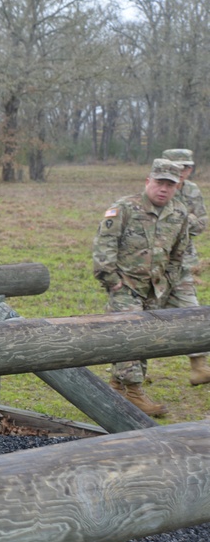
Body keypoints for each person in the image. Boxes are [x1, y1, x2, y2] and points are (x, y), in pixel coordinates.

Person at [92, 159, 191, 416]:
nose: (163, 189)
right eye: (159, 183)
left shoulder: (179, 214)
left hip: (155, 288)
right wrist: (113, 282)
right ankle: (134, 391)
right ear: (148, 182)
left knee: (146, 338)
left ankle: (116, 386)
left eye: (170, 185)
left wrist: (167, 282)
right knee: (130, 333)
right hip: (125, 285)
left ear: (177, 186)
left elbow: (179, 254)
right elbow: (104, 248)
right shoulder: (125, 208)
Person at [161, 148, 210, 385]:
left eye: (187, 167)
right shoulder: (157, 188)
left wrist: (185, 221)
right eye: (179, 167)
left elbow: (201, 223)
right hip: (153, 265)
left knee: (192, 310)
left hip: (182, 263)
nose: (183, 172)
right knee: (141, 316)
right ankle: (130, 376)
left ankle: (199, 367)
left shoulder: (192, 190)